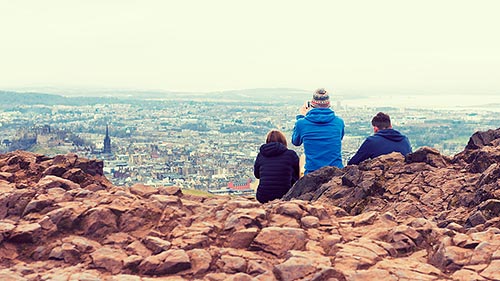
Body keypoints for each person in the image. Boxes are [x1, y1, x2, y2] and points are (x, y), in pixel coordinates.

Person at [292, 88, 345, 174]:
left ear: (311, 104)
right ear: (329, 104)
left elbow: (295, 142)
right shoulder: (339, 122)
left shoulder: (302, 123)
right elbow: (340, 138)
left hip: (312, 173)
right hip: (336, 172)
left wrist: (301, 116)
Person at [348, 112, 412, 165]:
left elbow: (353, 163)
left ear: (375, 129)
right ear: (390, 126)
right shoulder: (405, 139)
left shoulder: (372, 141)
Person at [254, 130, 300, 203]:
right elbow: (298, 174)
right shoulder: (291, 154)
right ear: (283, 141)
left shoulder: (261, 155)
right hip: (284, 195)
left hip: (263, 196)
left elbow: (257, 175)